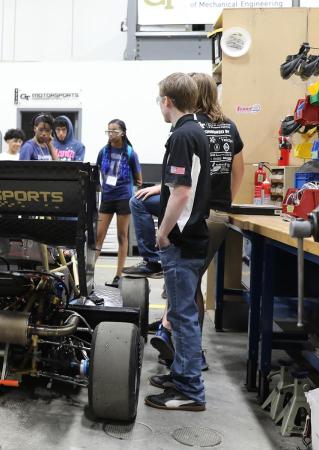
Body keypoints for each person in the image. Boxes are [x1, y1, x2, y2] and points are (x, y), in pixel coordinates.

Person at [149, 72, 246, 369]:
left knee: (186, 285)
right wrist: (222, 203)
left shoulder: (190, 129)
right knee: (190, 284)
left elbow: (183, 184)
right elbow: (238, 170)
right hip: (216, 212)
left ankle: (187, 353)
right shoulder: (229, 126)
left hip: (196, 212)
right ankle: (181, 345)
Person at [143, 73, 210, 412]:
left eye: (159, 99)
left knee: (182, 317)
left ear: (166, 100)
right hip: (193, 236)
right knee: (183, 314)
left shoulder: (183, 135)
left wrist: (163, 231)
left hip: (182, 240)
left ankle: (189, 391)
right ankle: (182, 375)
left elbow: (181, 191)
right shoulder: (194, 131)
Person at [94, 119, 142, 288]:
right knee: (98, 236)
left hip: (123, 198)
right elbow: (97, 172)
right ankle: (88, 272)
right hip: (107, 197)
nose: (111, 134)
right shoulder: (103, 152)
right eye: (108, 131)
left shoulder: (130, 152)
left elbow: (139, 179)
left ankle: (118, 276)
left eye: (114, 131)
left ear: (122, 133)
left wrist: (129, 191)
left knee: (122, 236)